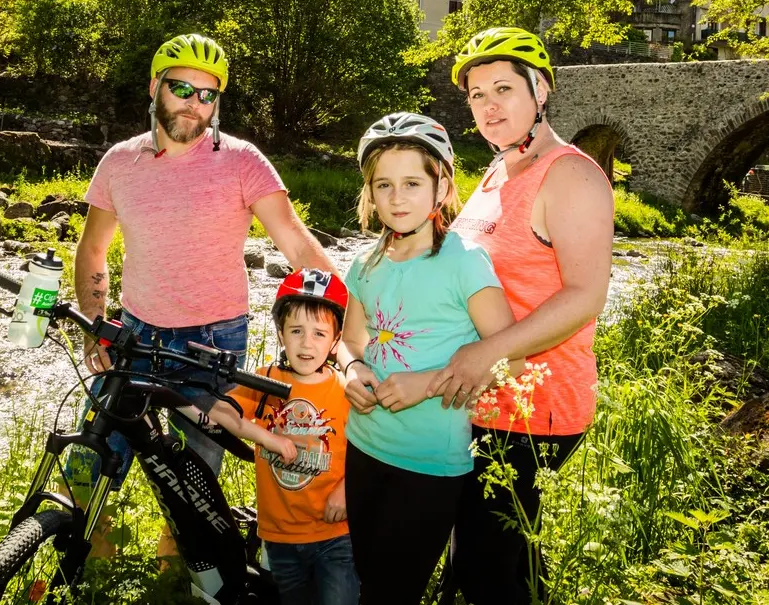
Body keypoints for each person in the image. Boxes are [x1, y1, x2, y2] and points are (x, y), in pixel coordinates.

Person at [68, 33, 338, 504]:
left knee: (195, 486)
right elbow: (92, 251)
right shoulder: (119, 162)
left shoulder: (241, 161)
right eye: (182, 89)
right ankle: (84, 547)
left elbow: (297, 244)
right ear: (154, 88)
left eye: (208, 94)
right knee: (91, 462)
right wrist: (94, 325)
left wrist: (347, 325)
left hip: (214, 343)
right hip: (134, 332)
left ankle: (182, 565)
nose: (195, 104)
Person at [431, 27, 614, 605]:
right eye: (477, 94)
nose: (488, 106)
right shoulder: (495, 173)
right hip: (480, 399)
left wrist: (488, 351)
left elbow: (585, 296)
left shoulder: (571, 174)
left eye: (503, 89)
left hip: (535, 404)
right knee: (502, 557)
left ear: (540, 90)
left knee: (485, 568)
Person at [337, 113, 516, 605]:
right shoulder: (364, 261)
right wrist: (351, 369)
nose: (397, 197)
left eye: (412, 183)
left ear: (441, 188)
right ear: (369, 193)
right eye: (384, 184)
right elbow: (349, 340)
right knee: (369, 577)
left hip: (430, 464)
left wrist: (429, 382)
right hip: (364, 446)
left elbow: (512, 361)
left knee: (395, 591)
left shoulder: (464, 261)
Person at [205, 269, 358, 605]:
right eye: (296, 331)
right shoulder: (265, 381)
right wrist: (268, 439)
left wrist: (346, 492)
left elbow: (370, 450)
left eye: (319, 333)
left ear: (335, 341)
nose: (306, 343)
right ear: (280, 333)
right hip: (279, 537)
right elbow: (219, 410)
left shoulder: (345, 390)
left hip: (335, 534)